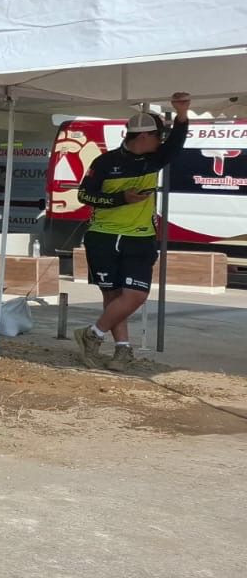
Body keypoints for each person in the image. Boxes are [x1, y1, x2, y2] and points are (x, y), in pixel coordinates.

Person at [74, 93, 191, 372]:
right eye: (157, 136)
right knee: (113, 298)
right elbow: (84, 195)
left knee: (136, 295)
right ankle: (123, 350)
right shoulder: (104, 162)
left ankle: (92, 333)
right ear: (142, 137)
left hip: (139, 236)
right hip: (102, 235)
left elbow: (176, 142)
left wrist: (182, 114)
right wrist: (121, 199)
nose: (161, 142)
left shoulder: (155, 158)